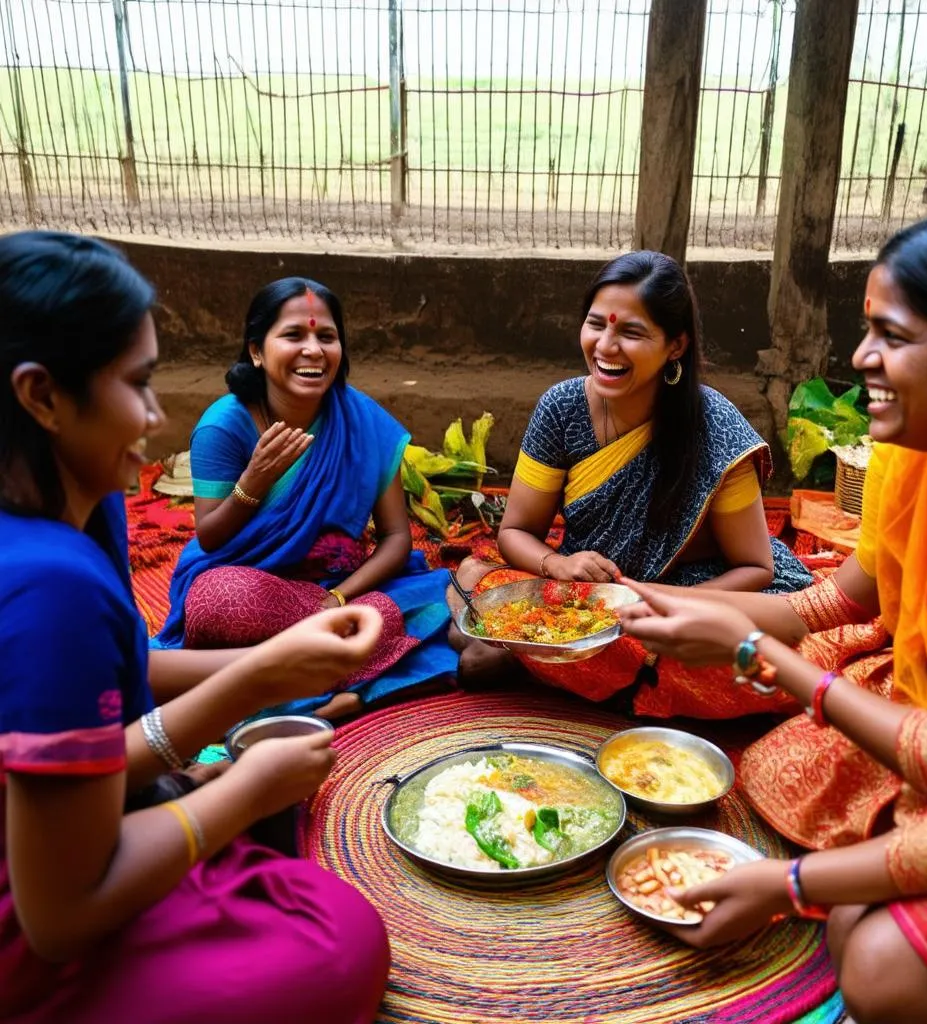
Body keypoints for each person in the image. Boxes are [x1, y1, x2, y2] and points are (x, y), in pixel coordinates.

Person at [0, 232, 390, 1022]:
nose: (154, 414)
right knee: (341, 936)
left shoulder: (89, 510)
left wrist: (268, 669)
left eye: (326, 335)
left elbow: (112, 682)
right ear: (41, 397)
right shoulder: (52, 587)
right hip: (38, 909)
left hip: (312, 599)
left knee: (401, 606)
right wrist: (244, 789)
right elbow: (60, 918)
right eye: (139, 383)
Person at [636, 208, 927, 850]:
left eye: (891, 337)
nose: (859, 357)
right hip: (910, 693)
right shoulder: (905, 454)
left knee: (867, 938)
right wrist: (669, 601)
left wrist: (754, 650)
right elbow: (847, 595)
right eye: (867, 329)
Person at [618, 580, 927, 1024]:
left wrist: (790, 884)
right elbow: (832, 601)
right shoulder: (913, 509)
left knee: (880, 965)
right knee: (845, 903)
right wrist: (668, 605)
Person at [450, 250, 811, 718]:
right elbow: (515, 533)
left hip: (698, 591)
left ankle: (552, 665)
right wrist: (558, 564)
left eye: (631, 332)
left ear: (675, 346)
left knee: (767, 660)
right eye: (596, 324)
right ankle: (585, 669)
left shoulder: (714, 425)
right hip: (592, 592)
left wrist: (655, 605)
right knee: (481, 584)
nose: (606, 346)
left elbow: (755, 568)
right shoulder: (561, 410)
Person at [153, 276, 457, 718]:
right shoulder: (225, 425)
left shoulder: (363, 420)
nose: (313, 350)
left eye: (326, 337)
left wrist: (336, 600)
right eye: (294, 335)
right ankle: (359, 676)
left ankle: (294, 679)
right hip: (254, 592)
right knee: (218, 602)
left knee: (400, 608)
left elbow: (395, 539)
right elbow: (211, 537)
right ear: (257, 351)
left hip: (340, 591)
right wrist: (254, 481)